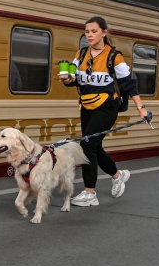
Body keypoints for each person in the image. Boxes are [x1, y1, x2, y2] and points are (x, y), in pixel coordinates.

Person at [60, 16, 147, 207]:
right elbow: (76, 79)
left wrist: (141, 108)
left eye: (94, 31)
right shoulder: (81, 54)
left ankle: (90, 192)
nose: (89, 35)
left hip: (107, 107)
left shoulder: (114, 57)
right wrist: (68, 80)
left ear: (104, 33)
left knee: (86, 146)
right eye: (87, 32)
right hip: (86, 105)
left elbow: (129, 84)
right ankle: (118, 176)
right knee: (95, 147)